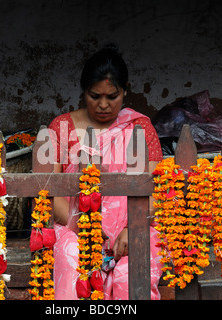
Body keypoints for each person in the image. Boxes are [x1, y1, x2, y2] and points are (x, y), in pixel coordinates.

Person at [48, 44, 163, 300]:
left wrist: (132, 228)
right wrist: (87, 229)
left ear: (125, 90)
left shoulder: (140, 127)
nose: (103, 105)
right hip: (74, 227)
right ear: (83, 91)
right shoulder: (62, 127)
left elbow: (158, 190)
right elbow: (50, 192)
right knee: (72, 260)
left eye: (112, 97)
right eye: (94, 96)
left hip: (133, 228)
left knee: (129, 276)